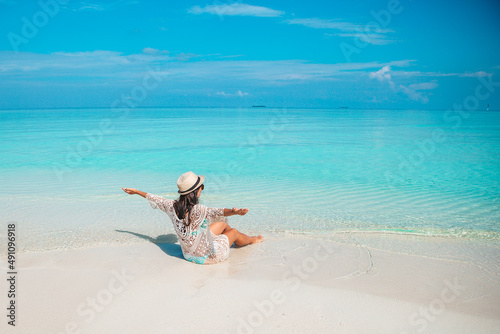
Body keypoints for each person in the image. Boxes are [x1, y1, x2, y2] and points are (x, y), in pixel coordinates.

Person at [122, 171, 263, 264]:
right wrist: (235, 212)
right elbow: (219, 211)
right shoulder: (199, 210)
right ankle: (252, 240)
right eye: (202, 186)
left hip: (187, 254)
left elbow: (154, 198)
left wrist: (136, 191)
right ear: (196, 191)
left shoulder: (171, 206)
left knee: (222, 223)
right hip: (207, 258)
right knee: (234, 232)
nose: (202, 188)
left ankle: (231, 241)